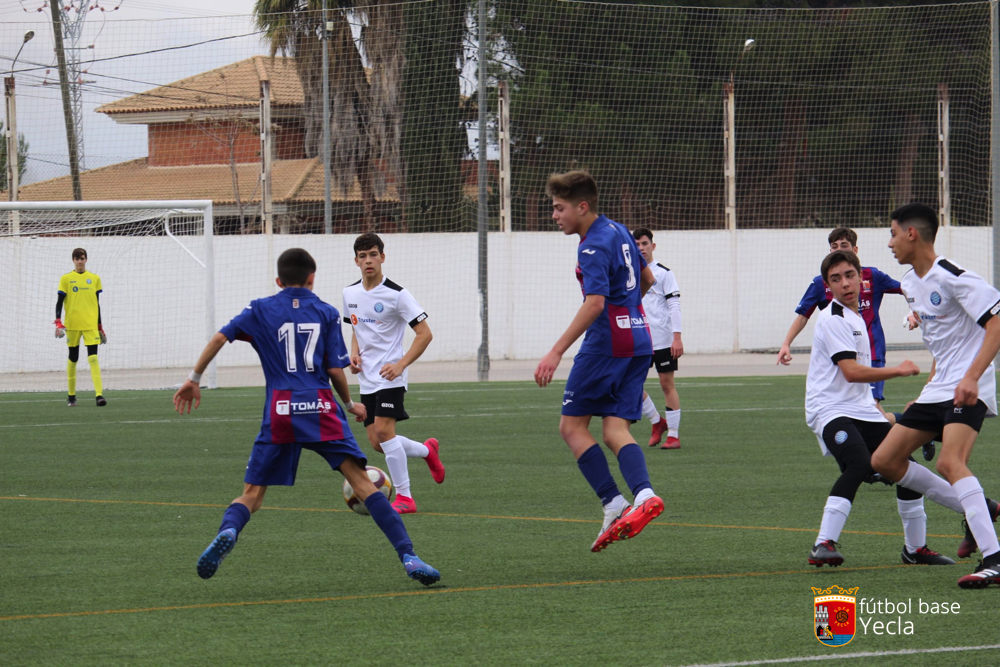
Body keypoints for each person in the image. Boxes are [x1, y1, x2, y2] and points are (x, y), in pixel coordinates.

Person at [172, 248, 440, 586]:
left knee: (252, 495)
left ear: (278, 280)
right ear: (312, 279)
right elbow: (334, 369)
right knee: (363, 483)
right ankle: (409, 556)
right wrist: (349, 403)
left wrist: (193, 379)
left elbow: (219, 338)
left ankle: (228, 530)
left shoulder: (259, 309)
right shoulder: (326, 312)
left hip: (281, 410)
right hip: (321, 408)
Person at [870, 203, 1000, 589]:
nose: (889, 242)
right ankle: (981, 507)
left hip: (969, 384)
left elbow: (996, 323)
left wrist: (973, 377)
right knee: (886, 460)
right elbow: (943, 346)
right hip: (939, 387)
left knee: (949, 461)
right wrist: (926, 392)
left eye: (893, 233)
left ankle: (994, 557)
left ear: (912, 233)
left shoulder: (954, 276)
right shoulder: (910, 284)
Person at [534, 170, 664, 553]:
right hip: (639, 338)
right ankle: (643, 495)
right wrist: (629, 314)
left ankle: (613, 501)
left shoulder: (590, 246)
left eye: (560, 208)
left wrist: (555, 351)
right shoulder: (621, 230)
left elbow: (594, 303)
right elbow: (648, 281)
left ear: (582, 207)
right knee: (614, 430)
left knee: (572, 428)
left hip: (606, 344)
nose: (555, 215)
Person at [804, 250, 953, 568]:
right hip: (829, 409)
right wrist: (898, 371)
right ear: (829, 287)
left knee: (902, 463)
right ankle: (823, 543)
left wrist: (873, 406)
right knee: (858, 463)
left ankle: (915, 549)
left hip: (861, 408)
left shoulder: (858, 316)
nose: (845, 283)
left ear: (861, 278)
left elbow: (856, 382)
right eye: (836, 279)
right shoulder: (833, 319)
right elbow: (851, 372)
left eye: (849, 275)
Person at [776, 228, 935, 462]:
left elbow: (906, 289)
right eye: (834, 247)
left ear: (856, 251)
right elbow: (803, 315)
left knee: (872, 412)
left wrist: (914, 311)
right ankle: (908, 434)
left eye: (844, 245)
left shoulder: (873, 276)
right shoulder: (822, 284)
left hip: (872, 355)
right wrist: (786, 344)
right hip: (844, 360)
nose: (839, 250)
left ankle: (886, 461)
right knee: (872, 415)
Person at [343, 232, 444, 515]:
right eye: (362, 256)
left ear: (382, 257)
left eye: (373, 254)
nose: (368, 261)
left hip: (391, 375)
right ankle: (427, 451)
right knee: (377, 442)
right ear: (356, 261)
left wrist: (401, 365)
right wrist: (355, 354)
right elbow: (355, 329)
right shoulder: (349, 294)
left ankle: (405, 497)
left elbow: (424, 335)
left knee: (386, 432)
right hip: (367, 378)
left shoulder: (398, 295)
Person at [632, 228, 683, 449]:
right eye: (637, 244)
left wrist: (677, 337)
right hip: (638, 339)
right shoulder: (630, 273)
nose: (641, 248)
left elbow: (674, 305)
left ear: (653, 246)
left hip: (662, 340)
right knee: (631, 385)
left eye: (645, 243)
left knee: (666, 384)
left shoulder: (663, 273)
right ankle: (656, 422)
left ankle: (673, 435)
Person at [55, 248, 107, 407]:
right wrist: (58, 321)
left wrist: (100, 326)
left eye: (82, 258)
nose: (79, 261)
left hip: (90, 325)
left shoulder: (94, 278)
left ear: (86, 259)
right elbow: (59, 302)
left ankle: (99, 395)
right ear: (73, 260)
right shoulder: (66, 279)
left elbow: (96, 304)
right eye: (77, 259)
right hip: (72, 325)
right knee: (73, 358)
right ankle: (71, 396)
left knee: (93, 358)